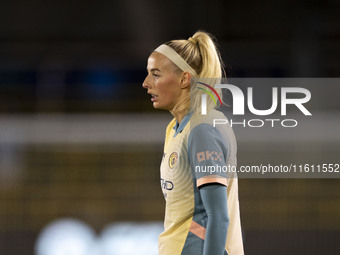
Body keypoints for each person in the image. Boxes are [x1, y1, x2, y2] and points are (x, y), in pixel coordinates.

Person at [142, 31, 244, 255]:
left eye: (156, 74)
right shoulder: (176, 128)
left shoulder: (203, 128)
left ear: (184, 79)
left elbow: (217, 214)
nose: (146, 83)